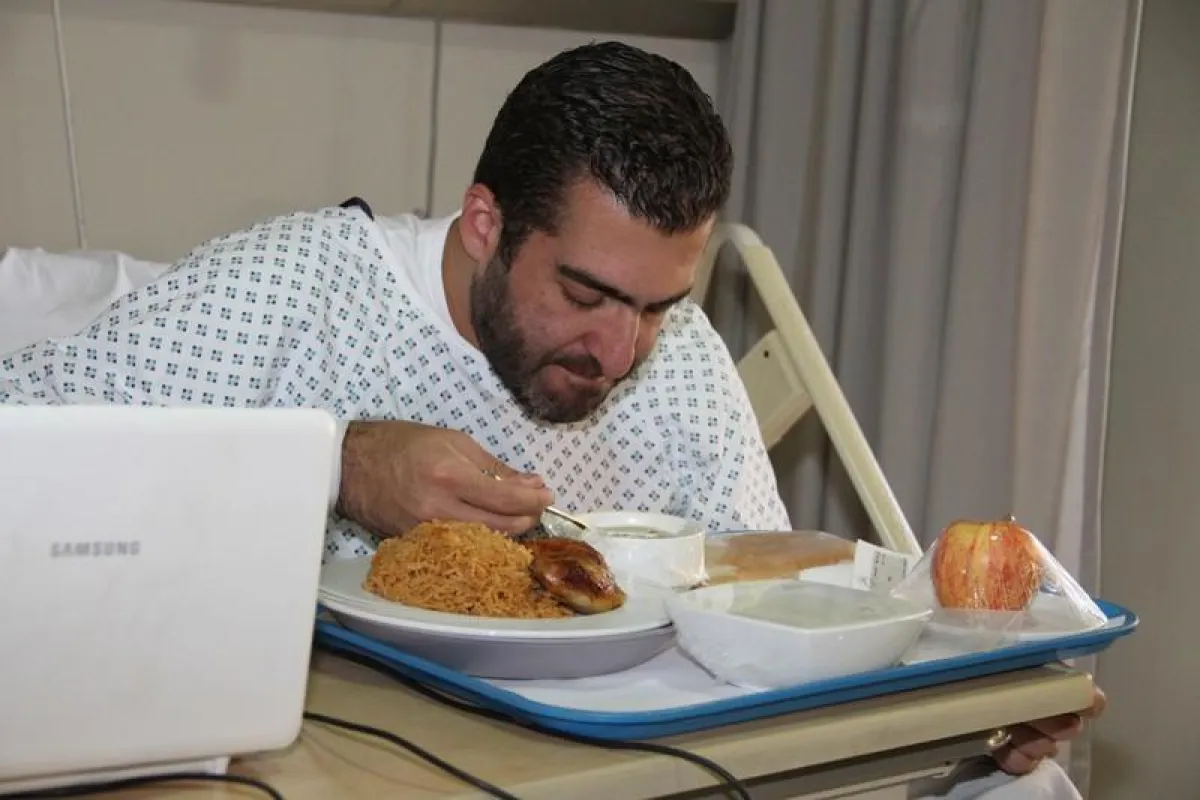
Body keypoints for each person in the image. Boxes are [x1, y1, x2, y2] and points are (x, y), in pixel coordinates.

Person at [0, 40, 1101, 800]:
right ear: (486, 222)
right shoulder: (299, 289)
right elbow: (21, 439)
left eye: (657, 306)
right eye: (585, 295)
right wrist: (338, 459)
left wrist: (972, 721)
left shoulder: (680, 365)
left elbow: (776, 624)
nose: (620, 353)